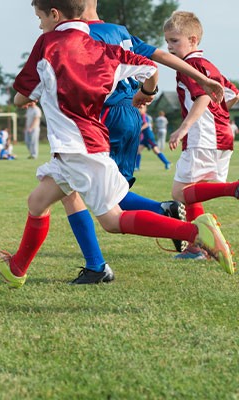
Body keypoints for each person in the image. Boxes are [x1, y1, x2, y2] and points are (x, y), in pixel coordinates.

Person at [0, 0, 234, 289]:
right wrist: (153, 92)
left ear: (54, 14)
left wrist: (35, 94)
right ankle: (16, 268)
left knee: (113, 220)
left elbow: (20, 98)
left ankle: (194, 234)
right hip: (84, 144)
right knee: (37, 202)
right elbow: (151, 69)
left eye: (39, 17)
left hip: (79, 148)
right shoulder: (106, 50)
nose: (39, 24)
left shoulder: (47, 43)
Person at [59, 0, 227, 284]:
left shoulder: (78, 34)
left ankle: (97, 265)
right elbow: (157, 59)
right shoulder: (120, 31)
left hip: (104, 115)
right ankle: (165, 214)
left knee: (85, 194)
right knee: (106, 189)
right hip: (129, 113)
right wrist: (162, 88)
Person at [163, 11, 239, 260]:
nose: (169, 47)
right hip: (221, 136)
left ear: (193, 40)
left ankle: (234, 189)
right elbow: (232, 94)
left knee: (179, 193)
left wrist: (183, 127)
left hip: (203, 136)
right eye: (167, 42)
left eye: (175, 41)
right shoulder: (209, 65)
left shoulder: (191, 66)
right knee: (193, 188)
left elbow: (204, 96)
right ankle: (197, 246)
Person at [135, 104, 172, 170]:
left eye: (142, 108)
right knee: (138, 150)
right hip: (145, 137)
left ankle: (167, 162)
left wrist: (139, 129)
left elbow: (146, 124)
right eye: (139, 108)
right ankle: (137, 167)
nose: (140, 109)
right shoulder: (141, 116)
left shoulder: (144, 115)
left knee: (156, 150)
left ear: (145, 109)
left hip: (149, 137)